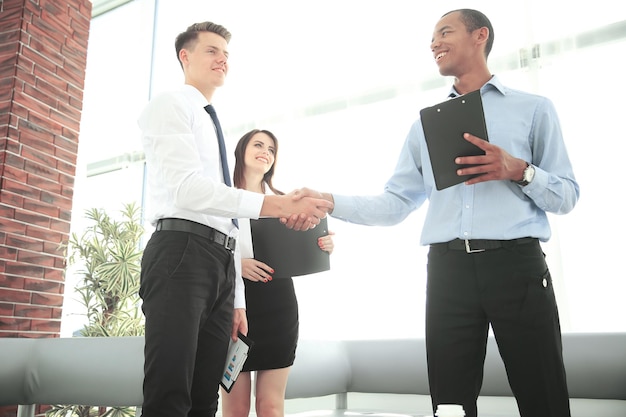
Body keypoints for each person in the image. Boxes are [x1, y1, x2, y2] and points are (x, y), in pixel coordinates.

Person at [291, 9, 579, 417]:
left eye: (445, 32)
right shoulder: (424, 127)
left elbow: (566, 196)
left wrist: (519, 170)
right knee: (449, 403)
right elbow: (393, 205)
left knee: (543, 394)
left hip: (516, 265)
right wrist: (329, 199)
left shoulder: (533, 109)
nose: (434, 43)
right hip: (448, 271)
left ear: (480, 36)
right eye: (432, 37)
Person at [137, 22, 332, 417]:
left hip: (219, 265)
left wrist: (236, 297)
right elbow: (187, 190)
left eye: (225, 53)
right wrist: (277, 207)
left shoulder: (211, 122)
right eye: (211, 50)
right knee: (171, 388)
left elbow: (225, 223)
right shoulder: (171, 105)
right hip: (182, 252)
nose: (222, 58)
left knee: (205, 395)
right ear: (185, 57)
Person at [221, 129, 335, 417]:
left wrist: (324, 243)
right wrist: (239, 264)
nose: (266, 152)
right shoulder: (221, 196)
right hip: (236, 304)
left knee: (271, 406)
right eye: (258, 145)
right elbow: (208, 245)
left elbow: (306, 240)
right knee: (235, 408)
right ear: (241, 152)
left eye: (271, 149)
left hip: (279, 303)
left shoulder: (285, 201)